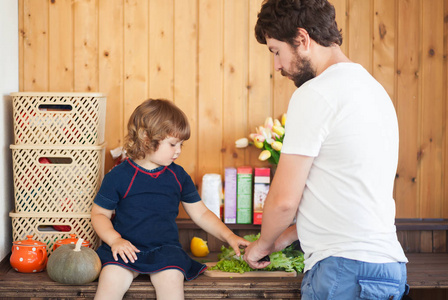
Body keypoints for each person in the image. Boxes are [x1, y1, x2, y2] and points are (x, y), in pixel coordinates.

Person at [243, 0, 409, 299]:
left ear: (302, 39)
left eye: (276, 51)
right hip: (388, 268)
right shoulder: (374, 90)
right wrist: (281, 239)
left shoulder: (316, 93)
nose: (278, 65)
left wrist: (261, 246)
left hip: (343, 271)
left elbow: (283, 201)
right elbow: (345, 196)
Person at [91, 99, 250, 300]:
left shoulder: (178, 176)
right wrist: (115, 241)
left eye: (181, 144)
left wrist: (230, 236)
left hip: (165, 252)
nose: (178, 151)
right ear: (146, 138)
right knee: (110, 281)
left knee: (172, 281)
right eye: (173, 144)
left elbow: (200, 213)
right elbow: (99, 214)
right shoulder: (118, 176)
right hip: (125, 250)